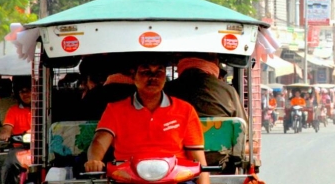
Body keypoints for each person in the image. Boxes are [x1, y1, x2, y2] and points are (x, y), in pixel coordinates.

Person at [84, 55, 209, 184]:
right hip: (129, 179)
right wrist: (94, 160)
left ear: (165, 76)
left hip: (176, 179)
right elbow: (99, 141)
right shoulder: (114, 109)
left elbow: (199, 160)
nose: (153, 77)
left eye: (159, 72)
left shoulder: (186, 110)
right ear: (133, 76)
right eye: (146, 72)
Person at [165, 52, 246, 174]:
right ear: (214, 63)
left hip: (173, 165)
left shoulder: (165, 91)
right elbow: (245, 138)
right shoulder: (228, 91)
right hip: (217, 164)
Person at [0, 76, 32, 184]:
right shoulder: (13, 110)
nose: (25, 94)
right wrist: (5, 134)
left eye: (28, 91)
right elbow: (7, 127)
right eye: (21, 92)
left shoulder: (43, 108)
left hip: (42, 149)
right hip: (19, 148)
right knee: (7, 165)